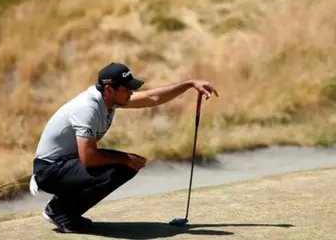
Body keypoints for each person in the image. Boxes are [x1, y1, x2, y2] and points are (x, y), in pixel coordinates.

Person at [30, 62, 219, 233]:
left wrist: (189, 84)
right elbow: (88, 157)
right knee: (123, 165)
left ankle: (61, 209)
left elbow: (152, 98)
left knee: (125, 165)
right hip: (49, 171)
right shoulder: (88, 108)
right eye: (127, 88)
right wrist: (125, 158)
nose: (131, 92)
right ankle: (61, 211)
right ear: (109, 89)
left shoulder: (109, 100)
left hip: (65, 165)